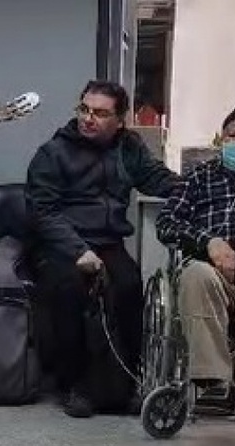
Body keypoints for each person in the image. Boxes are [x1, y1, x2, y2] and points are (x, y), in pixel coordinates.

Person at [25, 79, 180, 418]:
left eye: (99, 113)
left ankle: (125, 384)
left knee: (128, 285)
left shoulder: (129, 147)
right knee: (70, 289)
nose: (88, 118)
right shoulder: (53, 153)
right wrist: (78, 250)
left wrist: (199, 188)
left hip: (108, 241)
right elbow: (42, 212)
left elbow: (158, 180)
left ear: (119, 121)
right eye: (84, 109)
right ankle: (74, 385)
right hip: (62, 244)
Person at [156, 97, 235, 418]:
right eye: (232, 135)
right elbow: (166, 223)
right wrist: (208, 242)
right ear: (221, 142)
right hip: (216, 279)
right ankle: (213, 385)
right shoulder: (201, 177)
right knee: (194, 274)